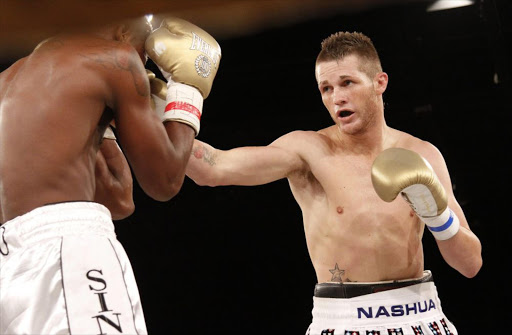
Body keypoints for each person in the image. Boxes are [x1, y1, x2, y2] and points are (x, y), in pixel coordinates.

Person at [186, 31, 482, 334]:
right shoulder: (309, 151)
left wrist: (438, 216)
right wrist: (165, 107)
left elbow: (470, 264)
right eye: (325, 88)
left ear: (380, 82)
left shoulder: (422, 154)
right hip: (344, 320)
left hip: (422, 316)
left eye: (347, 83)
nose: (336, 97)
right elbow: (213, 168)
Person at [0, 15, 221, 334]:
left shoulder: (10, 80)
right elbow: (165, 180)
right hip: (70, 250)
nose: (143, 66)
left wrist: (109, 120)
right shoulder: (117, 59)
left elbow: (117, 199)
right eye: (146, 53)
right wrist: (188, 90)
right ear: (122, 26)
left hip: (11, 266)